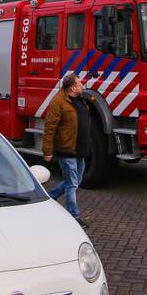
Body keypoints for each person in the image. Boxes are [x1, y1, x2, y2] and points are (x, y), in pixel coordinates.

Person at [42, 73, 93, 228]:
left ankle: (51, 196)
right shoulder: (58, 102)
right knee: (72, 184)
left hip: (80, 150)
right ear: (72, 87)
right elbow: (50, 127)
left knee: (75, 182)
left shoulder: (80, 100)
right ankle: (74, 216)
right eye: (79, 84)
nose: (82, 85)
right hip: (66, 150)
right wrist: (47, 151)